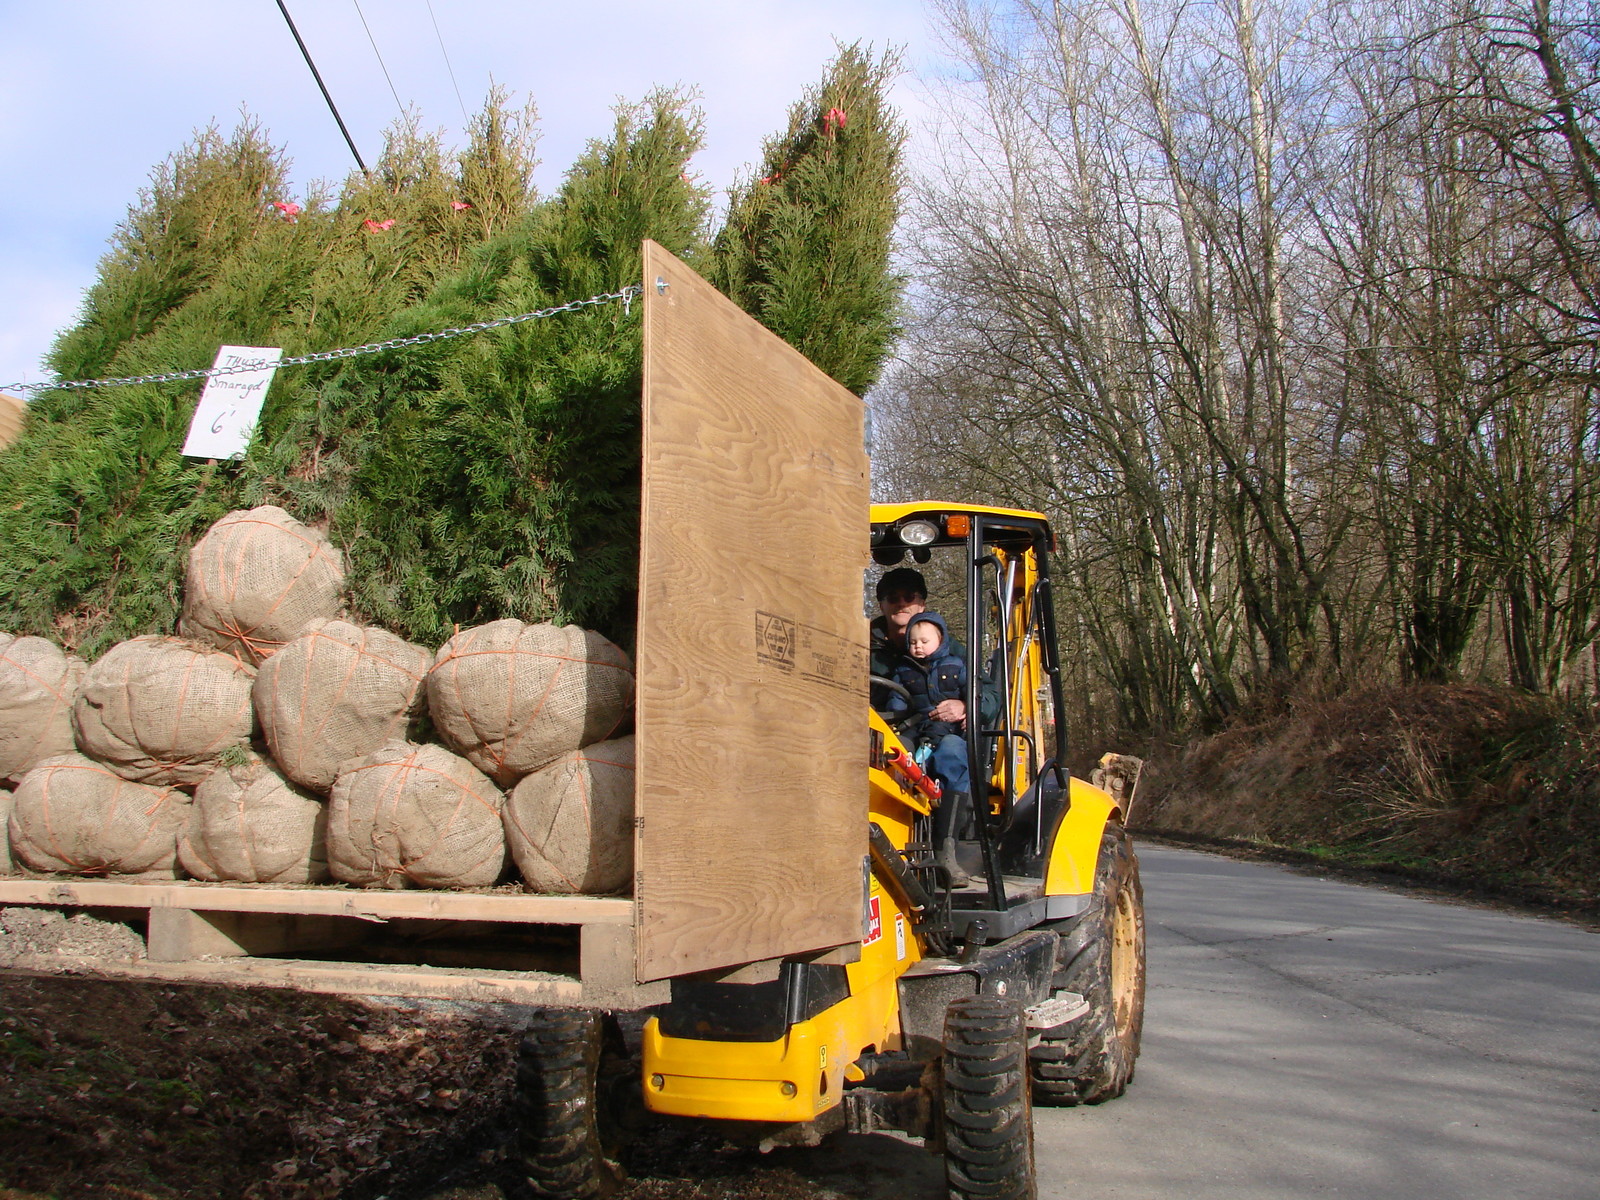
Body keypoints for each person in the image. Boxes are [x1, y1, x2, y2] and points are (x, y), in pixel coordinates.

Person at [883, 610, 975, 888]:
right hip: (915, 728)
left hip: (948, 732)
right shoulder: (902, 671)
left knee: (952, 753)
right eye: (913, 642)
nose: (918, 646)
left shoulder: (957, 666)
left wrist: (969, 709)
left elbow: (976, 696)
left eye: (924, 641)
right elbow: (895, 708)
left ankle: (946, 849)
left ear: (941, 641)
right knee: (890, 752)